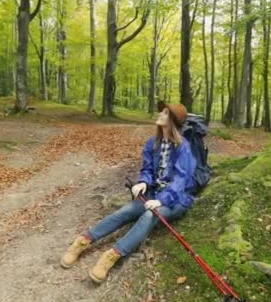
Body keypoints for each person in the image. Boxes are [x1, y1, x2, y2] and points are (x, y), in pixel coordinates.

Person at [60, 101, 197, 283]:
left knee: (149, 215)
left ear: (172, 120)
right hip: (154, 193)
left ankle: (112, 255)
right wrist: (143, 183)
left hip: (176, 199)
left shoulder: (183, 147)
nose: (160, 114)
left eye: (164, 113)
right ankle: (83, 241)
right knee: (125, 211)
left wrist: (161, 200)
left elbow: (181, 180)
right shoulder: (153, 143)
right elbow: (148, 170)